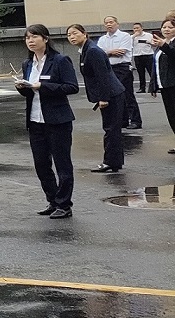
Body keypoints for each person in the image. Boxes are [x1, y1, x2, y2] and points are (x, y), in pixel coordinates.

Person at [14, 24, 80, 218]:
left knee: (62, 164)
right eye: (27, 38)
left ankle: (64, 205)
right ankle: (53, 200)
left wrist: (43, 86)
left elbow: (72, 87)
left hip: (58, 121)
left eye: (35, 36)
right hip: (35, 120)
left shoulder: (60, 60)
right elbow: (30, 93)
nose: (31, 41)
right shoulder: (27, 64)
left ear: (45, 38)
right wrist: (22, 87)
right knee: (41, 164)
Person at [66, 24, 124, 173]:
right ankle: (114, 162)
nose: (72, 37)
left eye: (75, 33)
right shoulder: (85, 49)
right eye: (69, 35)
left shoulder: (92, 51)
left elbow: (102, 75)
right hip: (109, 93)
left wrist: (104, 98)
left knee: (111, 129)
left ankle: (110, 162)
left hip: (112, 94)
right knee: (111, 128)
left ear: (84, 33)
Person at [96, 16, 141, 129]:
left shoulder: (125, 36)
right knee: (116, 95)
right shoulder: (102, 39)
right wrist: (111, 52)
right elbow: (99, 54)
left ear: (117, 23)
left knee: (127, 94)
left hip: (122, 68)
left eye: (111, 22)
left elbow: (122, 52)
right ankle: (123, 120)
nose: (108, 24)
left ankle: (136, 120)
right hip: (109, 68)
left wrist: (107, 53)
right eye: (106, 23)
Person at [154, 18, 175, 155]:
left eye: (170, 27)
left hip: (173, 84)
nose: (166, 29)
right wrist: (153, 85)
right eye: (164, 27)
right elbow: (156, 65)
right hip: (164, 84)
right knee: (171, 115)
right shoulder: (161, 43)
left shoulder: (167, 44)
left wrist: (164, 46)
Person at [132, 22, 156, 95]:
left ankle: (154, 87)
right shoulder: (131, 37)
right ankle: (142, 88)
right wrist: (134, 36)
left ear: (142, 28)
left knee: (151, 72)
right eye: (134, 28)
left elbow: (154, 44)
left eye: (137, 28)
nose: (136, 30)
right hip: (137, 56)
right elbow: (128, 44)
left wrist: (148, 42)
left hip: (148, 55)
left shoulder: (148, 35)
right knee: (140, 73)